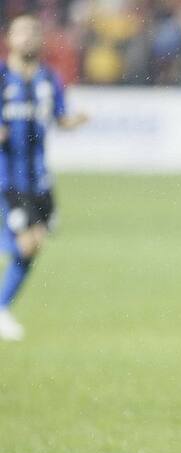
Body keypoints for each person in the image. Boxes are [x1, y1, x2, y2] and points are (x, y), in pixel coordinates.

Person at [0, 15, 88, 341]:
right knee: (25, 243)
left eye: (34, 32)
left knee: (34, 244)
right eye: (21, 32)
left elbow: (60, 118)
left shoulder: (49, 78)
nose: (28, 38)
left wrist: (75, 120)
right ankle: (1, 308)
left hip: (38, 178)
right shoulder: (1, 78)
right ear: (9, 38)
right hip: (7, 177)